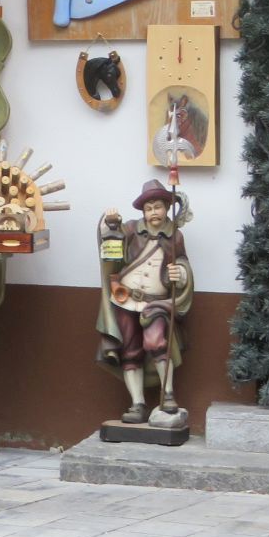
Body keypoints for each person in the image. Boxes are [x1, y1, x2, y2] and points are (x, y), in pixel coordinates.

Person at [95, 180, 194, 426]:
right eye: (149, 208)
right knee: (130, 350)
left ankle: (167, 394)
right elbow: (110, 242)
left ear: (166, 208)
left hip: (156, 303)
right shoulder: (130, 229)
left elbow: (182, 262)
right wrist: (111, 222)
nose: (153, 213)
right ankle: (137, 403)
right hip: (126, 300)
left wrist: (180, 273)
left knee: (157, 342)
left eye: (158, 207)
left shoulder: (174, 236)